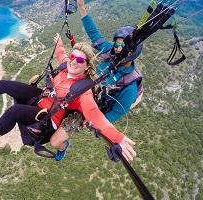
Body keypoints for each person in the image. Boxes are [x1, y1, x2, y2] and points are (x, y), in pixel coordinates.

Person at [0, 40, 136, 162]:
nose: (73, 61)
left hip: (50, 118)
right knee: (6, 85)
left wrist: (117, 138)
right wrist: (59, 42)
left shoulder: (84, 91)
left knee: (13, 112)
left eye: (80, 60)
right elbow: (61, 54)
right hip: (43, 98)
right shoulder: (67, 66)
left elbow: (95, 116)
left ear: (87, 67)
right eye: (73, 56)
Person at [49, 0, 144, 161]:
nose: (117, 48)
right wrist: (81, 7)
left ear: (132, 52)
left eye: (123, 47)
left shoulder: (129, 85)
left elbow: (117, 112)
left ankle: (62, 147)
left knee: (55, 140)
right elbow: (95, 34)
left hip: (90, 107)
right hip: (80, 85)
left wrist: (95, 120)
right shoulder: (109, 50)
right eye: (116, 44)